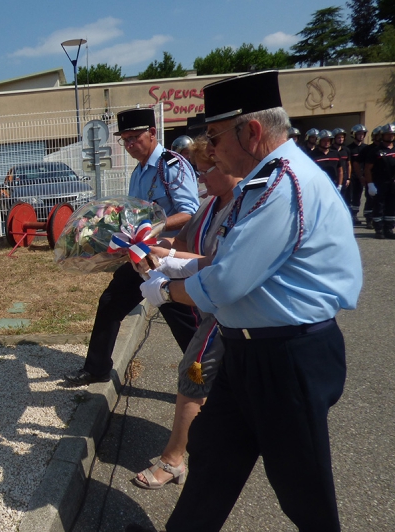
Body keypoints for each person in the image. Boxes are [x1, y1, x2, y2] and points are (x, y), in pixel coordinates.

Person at [140, 70, 362, 532]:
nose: (211, 148)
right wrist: (177, 267)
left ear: (253, 131)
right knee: (213, 459)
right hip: (248, 350)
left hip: (287, 356)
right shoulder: (260, 183)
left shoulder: (284, 185)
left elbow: (226, 283)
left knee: (304, 489)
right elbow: (227, 261)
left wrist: (165, 290)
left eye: (216, 136)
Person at [132, 136, 242, 490]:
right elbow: (183, 248)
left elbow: (220, 268)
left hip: (233, 314)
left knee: (196, 376)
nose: (201, 179)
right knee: (196, 375)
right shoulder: (211, 206)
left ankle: (175, 459)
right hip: (218, 311)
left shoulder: (245, 207)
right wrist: (153, 252)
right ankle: (183, 456)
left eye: (207, 170)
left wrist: (166, 285)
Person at [63, 108, 201, 387]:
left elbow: (190, 211)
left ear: (152, 133)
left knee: (183, 323)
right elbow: (136, 213)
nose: (128, 145)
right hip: (139, 257)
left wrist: (153, 230)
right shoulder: (139, 171)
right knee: (110, 302)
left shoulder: (171, 166)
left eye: (134, 138)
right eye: (124, 140)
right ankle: (97, 368)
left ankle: (207, 379)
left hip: (166, 259)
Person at [364, 123, 395, 239]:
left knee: (392, 206)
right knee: (379, 206)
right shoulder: (375, 151)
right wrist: (370, 184)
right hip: (379, 183)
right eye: (388, 134)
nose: (390, 136)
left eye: (392, 134)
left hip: (392, 182)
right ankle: (378, 229)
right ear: (382, 136)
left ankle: (389, 228)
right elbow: (368, 168)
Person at [360, 126, 383, 228]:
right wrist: (362, 176)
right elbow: (359, 163)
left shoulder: (387, 148)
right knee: (370, 199)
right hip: (372, 178)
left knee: (382, 201)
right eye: (377, 135)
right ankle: (369, 219)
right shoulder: (368, 149)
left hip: (384, 179)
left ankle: (382, 220)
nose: (379, 137)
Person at [346, 123, 368, 225]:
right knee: (349, 195)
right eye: (359, 134)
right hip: (352, 175)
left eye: (362, 134)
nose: (361, 136)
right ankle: (350, 215)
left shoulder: (366, 148)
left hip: (363, 175)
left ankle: (355, 214)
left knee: (358, 196)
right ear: (354, 135)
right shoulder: (349, 148)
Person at [332, 127, 350, 193]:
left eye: (342, 137)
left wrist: (348, 178)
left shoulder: (346, 150)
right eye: (339, 138)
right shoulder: (330, 150)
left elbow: (348, 165)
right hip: (333, 178)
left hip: (344, 178)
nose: (341, 139)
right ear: (334, 139)